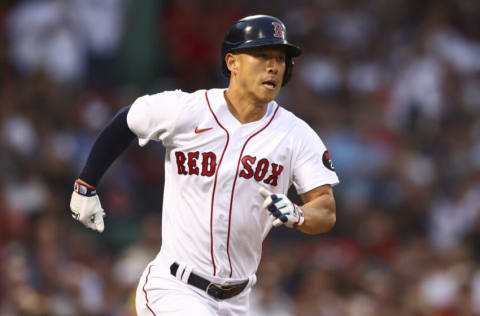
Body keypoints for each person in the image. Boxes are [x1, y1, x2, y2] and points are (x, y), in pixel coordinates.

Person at [70, 15, 339, 316]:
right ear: (232, 62)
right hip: (174, 287)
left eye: (280, 58)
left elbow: (326, 209)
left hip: (237, 300)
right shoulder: (188, 110)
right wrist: (86, 185)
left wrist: (300, 214)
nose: (273, 66)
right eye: (262, 55)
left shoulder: (296, 134)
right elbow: (127, 121)